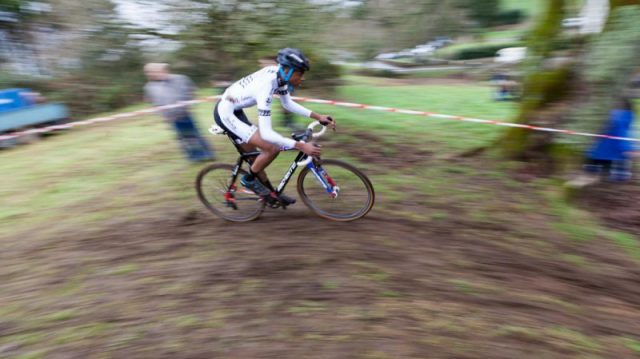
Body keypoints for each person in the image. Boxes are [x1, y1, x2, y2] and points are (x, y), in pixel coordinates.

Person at [213, 48, 335, 205]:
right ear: (287, 71)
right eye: (300, 73)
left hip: (235, 109)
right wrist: (301, 146)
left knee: (257, 159)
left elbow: (288, 103)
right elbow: (267, 133)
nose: (302, 78)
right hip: (226, 114)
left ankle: (271, 194)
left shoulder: (279, 76)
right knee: (271, 148)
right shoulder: (266, 87)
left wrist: (318, 117)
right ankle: (249, 180)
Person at [144, 63, 215, 162]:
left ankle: (208, 154)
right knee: (183, 138)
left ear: (164, 70)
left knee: (194, 134)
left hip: (184, 113)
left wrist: (188, 105)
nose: (154, 74)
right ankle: (194, 157)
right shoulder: (150, 87)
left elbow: (191, 90)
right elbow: (153, 102)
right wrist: (162, 115)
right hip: (171, 117)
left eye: (157, 71)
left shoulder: (180, 79)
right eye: (151, 73)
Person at [566, 97, 637, 188]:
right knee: (595, 177)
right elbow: (623, 135)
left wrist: (629, 149)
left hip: (603, 154)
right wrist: (629, 149)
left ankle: (572, 187)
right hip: (609, 155)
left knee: (590, 176)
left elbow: (622, 135)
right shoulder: (623, 117)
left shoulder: (618, 117)